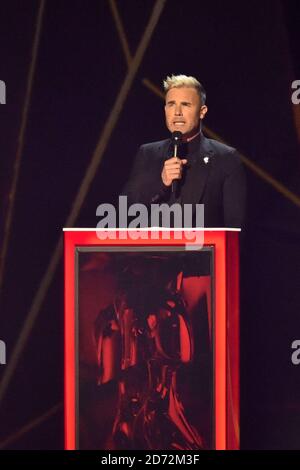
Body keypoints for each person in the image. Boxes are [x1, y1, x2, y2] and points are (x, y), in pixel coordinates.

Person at [122, 74, 246, 228]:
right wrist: (161, 183)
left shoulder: (226, 158)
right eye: (171, 104)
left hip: (203, 250)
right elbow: (126, 211)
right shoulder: (148, 153)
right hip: (155, 252)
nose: (177, 112)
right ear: (165, 109)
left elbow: (236, 228)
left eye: (186, 104)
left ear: (202, 111)